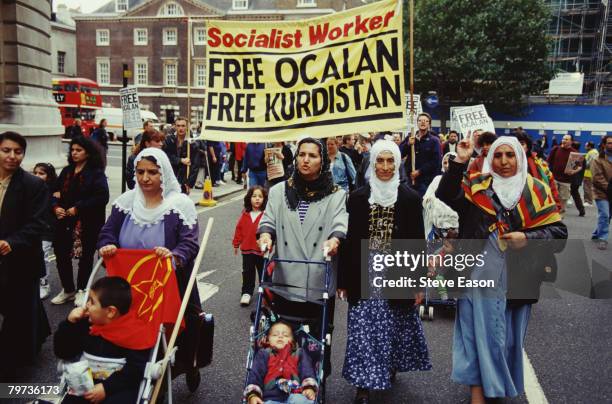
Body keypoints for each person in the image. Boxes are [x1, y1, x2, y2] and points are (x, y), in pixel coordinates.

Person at [437, 136, 567, 403]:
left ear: (519, 157)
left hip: (518, 278)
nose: (504, 161)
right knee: (473, 334)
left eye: (510, 155)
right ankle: (478, 393)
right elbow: (446, 194)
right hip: (475, 275)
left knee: (505, 340)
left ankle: (496, 385)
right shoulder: (477, 188)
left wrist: (527, 238)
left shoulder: (537, 190)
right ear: (489, 159)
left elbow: (559, 234)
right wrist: (460, 161)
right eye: (498, 155)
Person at [337, 139, 431, 404]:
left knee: (391, 326)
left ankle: (387, 366)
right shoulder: (357, 198)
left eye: (391, 161)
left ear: (398, 163)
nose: (386, 166)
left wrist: (418, 284)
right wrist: (344, 279)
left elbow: (416, 243)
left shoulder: (410, 199)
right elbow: (349, 241)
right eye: (380, 160)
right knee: (362, 328)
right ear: (372, 162)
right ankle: (363, 384)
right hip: (364, 269)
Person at [258, 137, 348, 376]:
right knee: (285, 335)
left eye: (313, 155)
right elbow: (267, 221)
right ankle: (282, 376)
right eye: (302, 155)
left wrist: (335, 239)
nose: (306, 160)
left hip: (318, 275)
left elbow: (340, 222)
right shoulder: (279, 191)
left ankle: (315, 377)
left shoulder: (336, 194)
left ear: (323, 161)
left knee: (317, 335)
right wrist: (266, 237)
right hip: (287, 277)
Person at [97, 147, 201, 308]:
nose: (145, 178)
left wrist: (174, 257)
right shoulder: (125, 203)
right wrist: (107, 246)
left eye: (152, 172)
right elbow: (108, 232)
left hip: (169, 287)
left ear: (164, 173)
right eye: (140, 172)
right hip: (128, 288)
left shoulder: (180, 205)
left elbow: (190, 243)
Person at [0, 132, 51, 380]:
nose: (12, 156)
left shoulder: (34, 185)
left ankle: (9, 371)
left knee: (17, 315)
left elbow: (38, 223)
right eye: (6, 150)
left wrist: (12, 242)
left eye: (17, 152)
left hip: (20, 260)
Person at [54, 277, 151, 404]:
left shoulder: (134, 333)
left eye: (92, 302)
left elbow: (135, 369)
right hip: (84, 381)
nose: (86, 305)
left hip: (119, 387)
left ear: (110, 312)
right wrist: (69, 323)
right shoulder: (85, 324)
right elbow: (63, 352)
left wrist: (107, 388)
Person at [51, 136, 109, 307]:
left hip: (87, 222)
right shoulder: (67, 171)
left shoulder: (96, 173)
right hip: (64, 221)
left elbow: (102, 196)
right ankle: (68, 289)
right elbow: (53, 191)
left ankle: (82, 290)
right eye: (73, 150)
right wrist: (55, 207)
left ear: (88, 153)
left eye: (79, 150)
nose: (74, 153)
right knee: (61, 253)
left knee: (85, 256)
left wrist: (79, 207)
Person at [244, 321, 318, 404]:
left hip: (296, 394)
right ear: (268, 339)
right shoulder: (263, 353)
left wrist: (309, 387)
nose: (280, 336)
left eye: (285, 335)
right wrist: (253, 395)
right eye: (275, 335)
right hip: (270, 397)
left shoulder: (299, 353)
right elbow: (256, 374)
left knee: (305, 401)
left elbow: (307, 370)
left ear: (293, 341)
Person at [233, 186, 267, 306]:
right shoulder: (245, 214)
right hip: (247, 250)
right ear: (249, 198)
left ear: (264, 199)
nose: (257, 199)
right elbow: (239, 229)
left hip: (261, 251)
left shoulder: (266, 215)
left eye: (260, 197)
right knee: (247, 272)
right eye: (254, 196)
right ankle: (246, 292)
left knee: (264, 272)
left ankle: (266, 292)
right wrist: (236, 243)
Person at [514, 131, 562, 211]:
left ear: (528, 147)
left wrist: (556, 205)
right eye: (515, 144)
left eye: (522, 144)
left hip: (536, 206)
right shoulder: (503, 164)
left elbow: (551, 185)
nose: (518, 147)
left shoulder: (539, 164)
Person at [33, 162, 58, 299]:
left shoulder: (52, 190)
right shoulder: (31, 188)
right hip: (34, 227)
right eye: (35, 173)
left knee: (44, 255)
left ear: (49, 176)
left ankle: (44, 283)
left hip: (47, 228)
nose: (37, 176)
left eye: (41, 173)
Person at [400, 112, 442, 196]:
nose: (423, 122)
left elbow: (436, 162)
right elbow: (400, 154)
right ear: (417, 123)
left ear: (429, 124)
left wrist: (420, 171)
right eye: (420, 120)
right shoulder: (410, 137)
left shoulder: (434, 141)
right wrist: (408, 144)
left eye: (426, 121)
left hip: (425, 181)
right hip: (410, 180)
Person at [547, 134, 582, 215]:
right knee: (552, 197)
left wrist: (573, 171)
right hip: (554, 179)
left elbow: (579, 167)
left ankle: (560, 218)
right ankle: (551, 216)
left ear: (571, 142)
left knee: (563, 199)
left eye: (566, 139)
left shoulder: (574, 153)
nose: (564, 140)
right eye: (563, 139)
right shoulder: (556, 149)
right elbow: (548, 161)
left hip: (566, 181)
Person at [163, 116, 199, 194]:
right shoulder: (169, 140)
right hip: (170, 177)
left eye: (183, 126)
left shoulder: (192, 143)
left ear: (187, 127)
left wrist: (189, 184)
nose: (180, 128)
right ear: (175, 126)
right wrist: (180, 160)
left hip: (184, 179)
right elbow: (166, 156)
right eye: (178, 126)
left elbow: (195, 166)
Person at [590, 135, 612, 250]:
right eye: (609, 143)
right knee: (605, 214)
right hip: (601, 192)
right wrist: (608, 188)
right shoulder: (597, 159)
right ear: (604, 144)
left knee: (608, 216)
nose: (611, 145)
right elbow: (597, 178)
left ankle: (596, 234)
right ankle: (602, 238)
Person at [583, 141, 599, 206]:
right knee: (587, 187)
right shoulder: (592, 152)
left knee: (587, 187)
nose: (585, 147)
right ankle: (588, 201)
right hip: (588, 173)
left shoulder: (593, 153)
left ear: (589, 146)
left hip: (589, 173)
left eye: (586, 146)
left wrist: (582, 163)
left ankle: (588, 201)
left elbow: (589, 164)